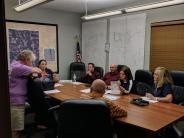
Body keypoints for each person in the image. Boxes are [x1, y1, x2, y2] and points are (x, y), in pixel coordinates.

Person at [9, 50, 42, 138]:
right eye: (31, 62)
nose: (32, 64)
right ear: (26, 60)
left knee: (18, 128)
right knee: (16, 130)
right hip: (16, 103)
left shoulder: (16, 66)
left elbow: (36, 74)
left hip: (18, 101)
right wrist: (34, 72)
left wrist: (33, 74)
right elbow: (38, 70)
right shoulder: (18, 67)